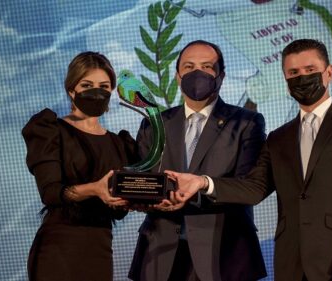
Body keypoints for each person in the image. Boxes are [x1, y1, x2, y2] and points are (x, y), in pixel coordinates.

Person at [166, 39, 332, 281]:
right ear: (285, 80)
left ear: (329, 73)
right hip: (290, 266)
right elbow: (254, 188)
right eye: (293, 73)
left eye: (310, 70)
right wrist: (202, 182)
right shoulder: (278, 138)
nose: (302, 78)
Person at [128, 40, 267, 281]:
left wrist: (203, 183)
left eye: (206, 67)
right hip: (160, 256)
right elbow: (143, 181)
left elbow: (250, 189)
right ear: (178, 76)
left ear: (221, 76)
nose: (197, 73)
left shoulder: (247, 122)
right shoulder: (154, 124)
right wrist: (135, 197)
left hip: (224, 255)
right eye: (189, 67)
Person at [22, 51, 137, 281]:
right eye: (87, 84)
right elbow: (51, 193)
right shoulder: (51, 130)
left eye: (103, 85)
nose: (97, 91)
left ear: (112, 91)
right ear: (71, 89)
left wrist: (129, 200)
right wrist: (95, 189)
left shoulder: (119, 143)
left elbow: (119, 210)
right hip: (59, 247)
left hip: (100, 247)